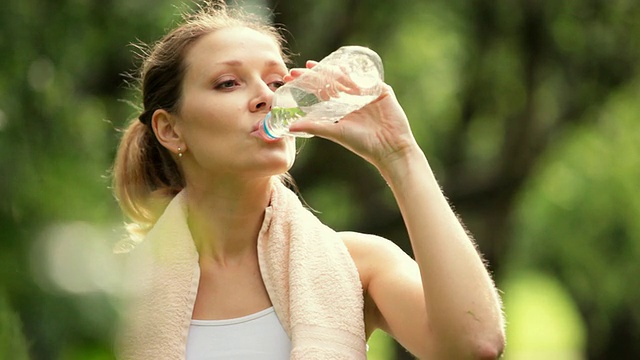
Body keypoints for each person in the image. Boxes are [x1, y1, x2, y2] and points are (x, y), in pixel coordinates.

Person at [111, 1, 506, 359]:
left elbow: (475, 346)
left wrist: (399, 155)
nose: (267, 97)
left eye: (278, 83)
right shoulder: (116, 292)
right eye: (228, 82)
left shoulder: (356, 265)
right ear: (170, 130)